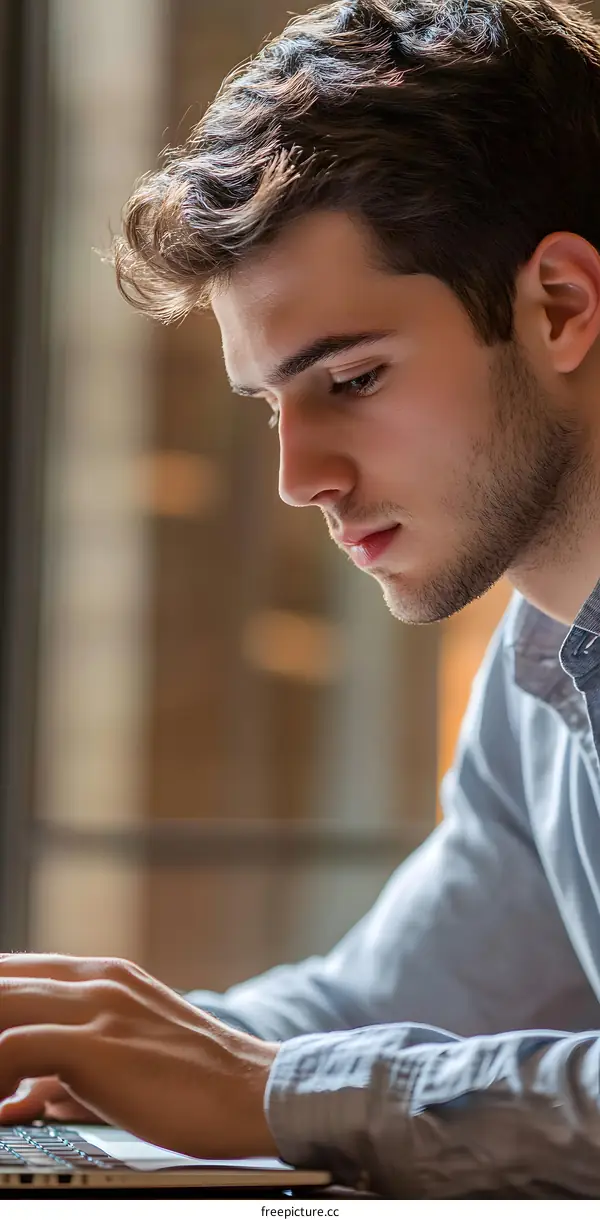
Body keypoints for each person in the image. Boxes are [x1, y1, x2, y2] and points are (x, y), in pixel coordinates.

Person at [3, 0, 600, 1198]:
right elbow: (381, 1002)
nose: (299, 479)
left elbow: (305, 1066)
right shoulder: (540, 672)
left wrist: (274, 1088)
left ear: (560, 306)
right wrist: (85, 1046)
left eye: (353, 378)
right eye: (272, 406)